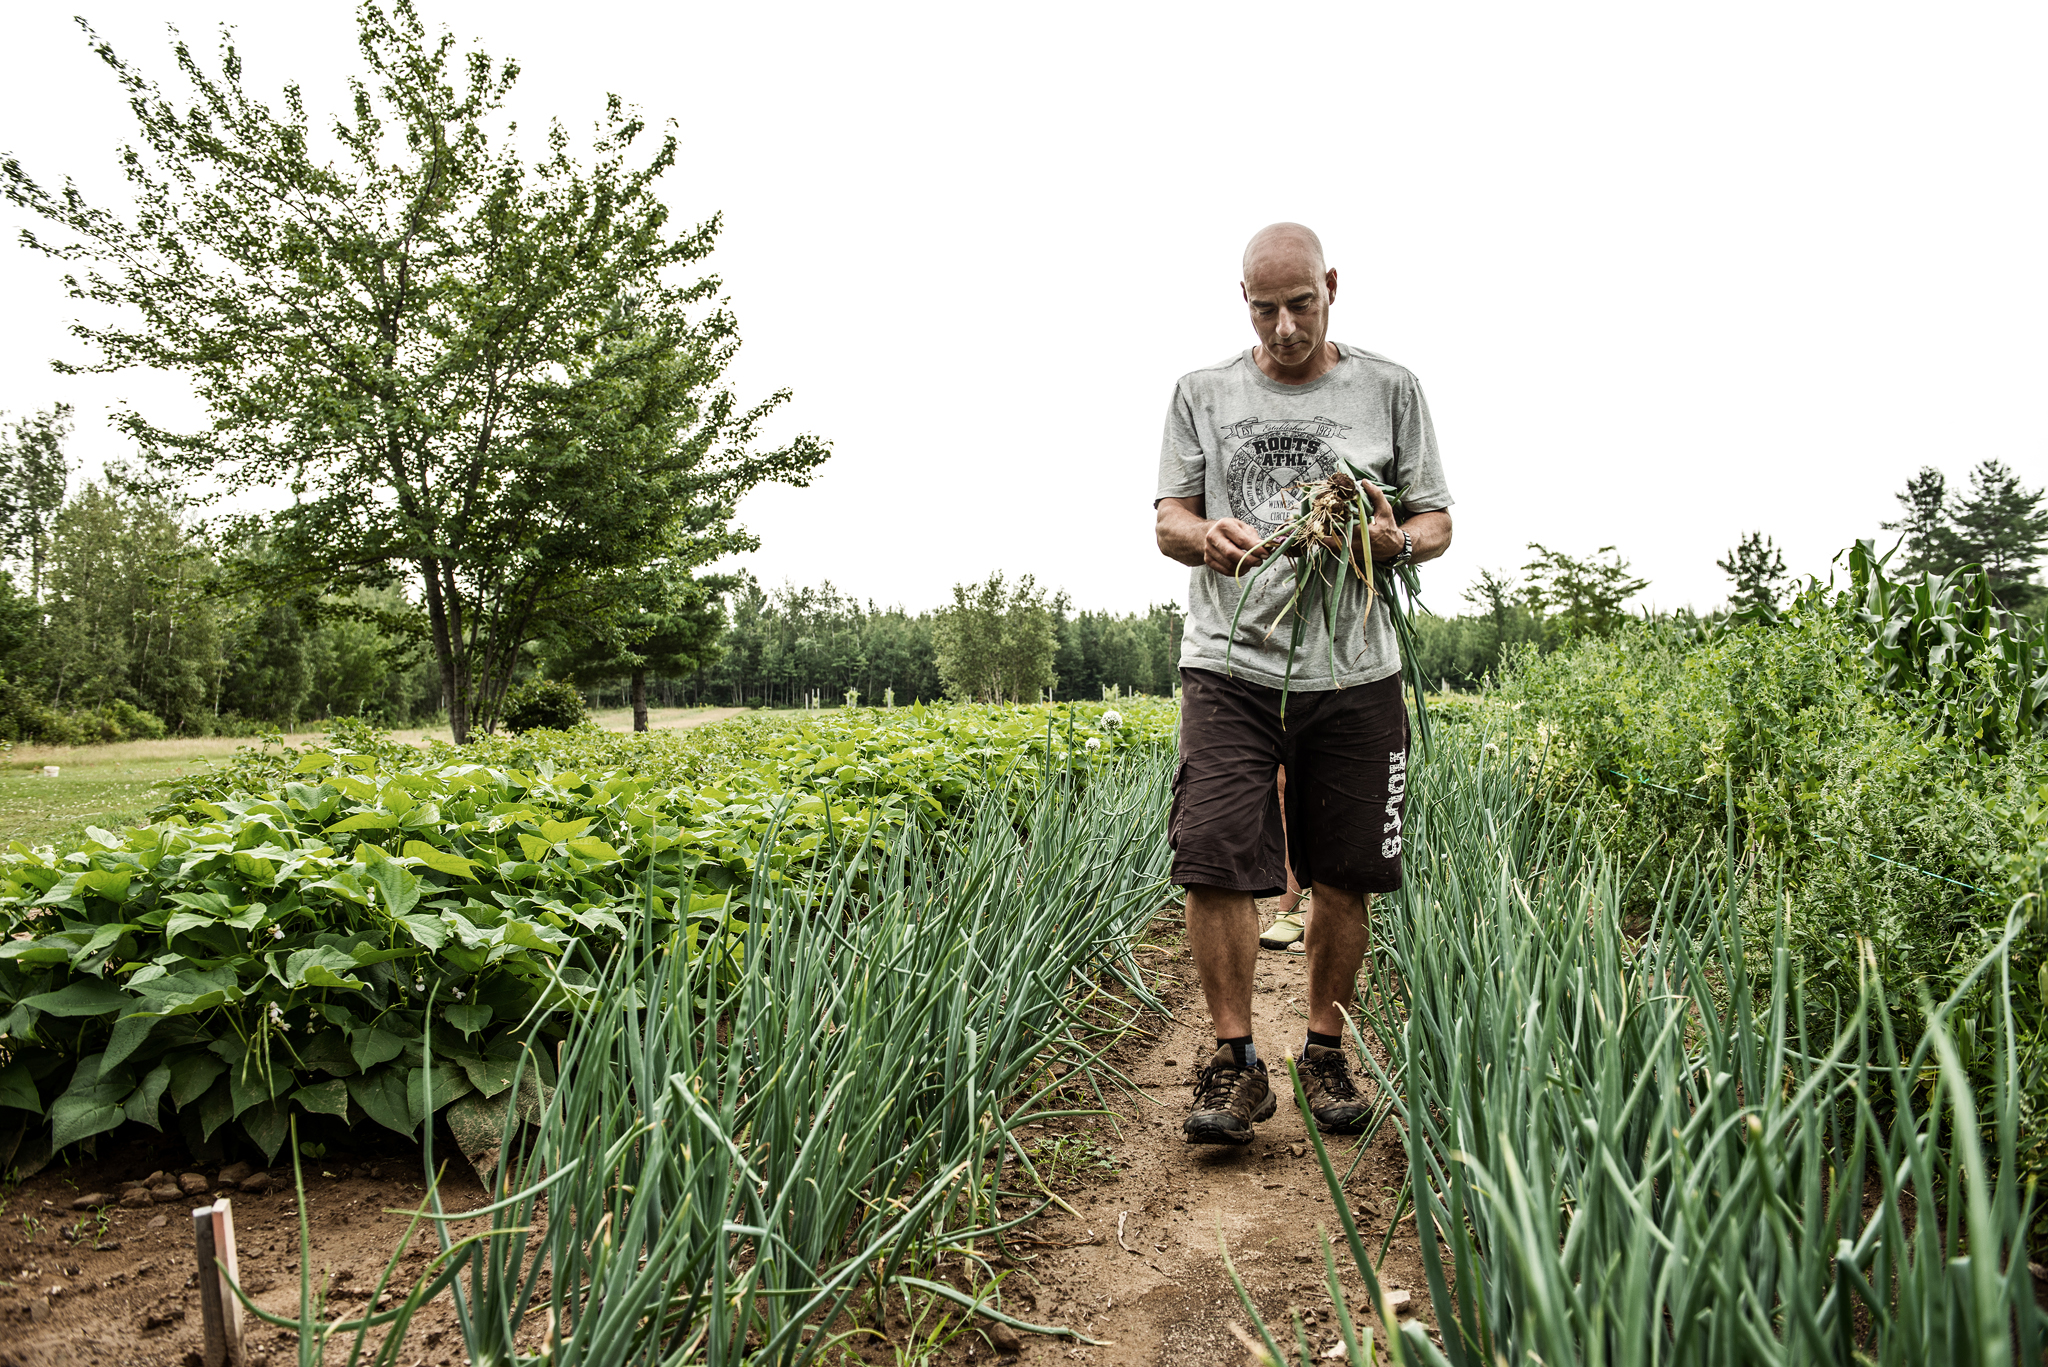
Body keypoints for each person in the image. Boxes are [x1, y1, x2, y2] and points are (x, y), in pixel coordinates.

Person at [1153, 223, 1453, 1145]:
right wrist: (1205, 537)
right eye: (1264, 308)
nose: (1284, 327)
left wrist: (1383, 538)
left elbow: (1436, 521)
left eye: (1301, 305)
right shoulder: (1201, 392)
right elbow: (1168, 516)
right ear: (1242, 300)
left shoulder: (1389, 387)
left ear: (1331, 287)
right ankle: (1234, 1063)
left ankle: (1325, 1051)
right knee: (1213, 860)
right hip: (1229, 666)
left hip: (1355, 670)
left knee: (1348, 873)